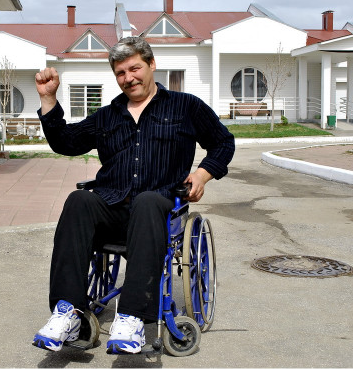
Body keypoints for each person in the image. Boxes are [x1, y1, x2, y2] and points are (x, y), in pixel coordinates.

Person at [32, 36, 234, 354]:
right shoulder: (108, 116)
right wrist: (48, 99)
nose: (128, 78)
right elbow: (66, 142)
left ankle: (131, 317)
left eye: (134, 68)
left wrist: (202, 174)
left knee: (147, 200)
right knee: (79, 200)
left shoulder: (186, 106)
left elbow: (223, 142)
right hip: (114, 208)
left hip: (160, 209)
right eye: (121, 73)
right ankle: (67, 312)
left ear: (151, 64)